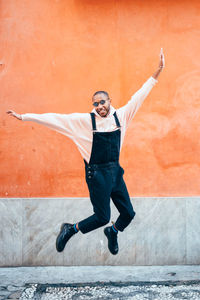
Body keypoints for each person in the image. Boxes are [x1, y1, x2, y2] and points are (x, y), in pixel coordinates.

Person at [7, 49, 165, 255]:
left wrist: (159, 70)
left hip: (115, 173)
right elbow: (56, 119)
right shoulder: (83, 122)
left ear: (109, 101)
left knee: (128, 213)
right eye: (96, 103)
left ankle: (113, 231)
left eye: (102, 102)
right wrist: (25, 117)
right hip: (96, 175)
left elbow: (140, 95)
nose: (99, 106)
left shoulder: (122, 117)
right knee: (101, 216)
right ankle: (70, 229)